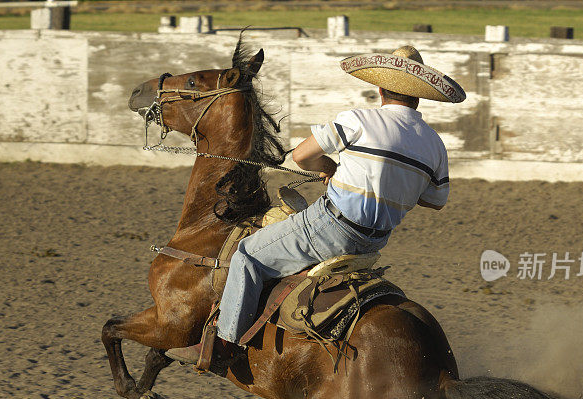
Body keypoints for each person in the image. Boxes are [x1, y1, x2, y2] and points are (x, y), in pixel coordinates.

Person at [169, 45, 465, 361]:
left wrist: (329, 167)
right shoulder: (435, 145)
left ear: (380, 88)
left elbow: (301, 156)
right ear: (418, 96)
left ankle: (221, 346)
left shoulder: (359, 120)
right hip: (373, 244)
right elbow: (435, 202)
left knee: (246, 255)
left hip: (331, 227)